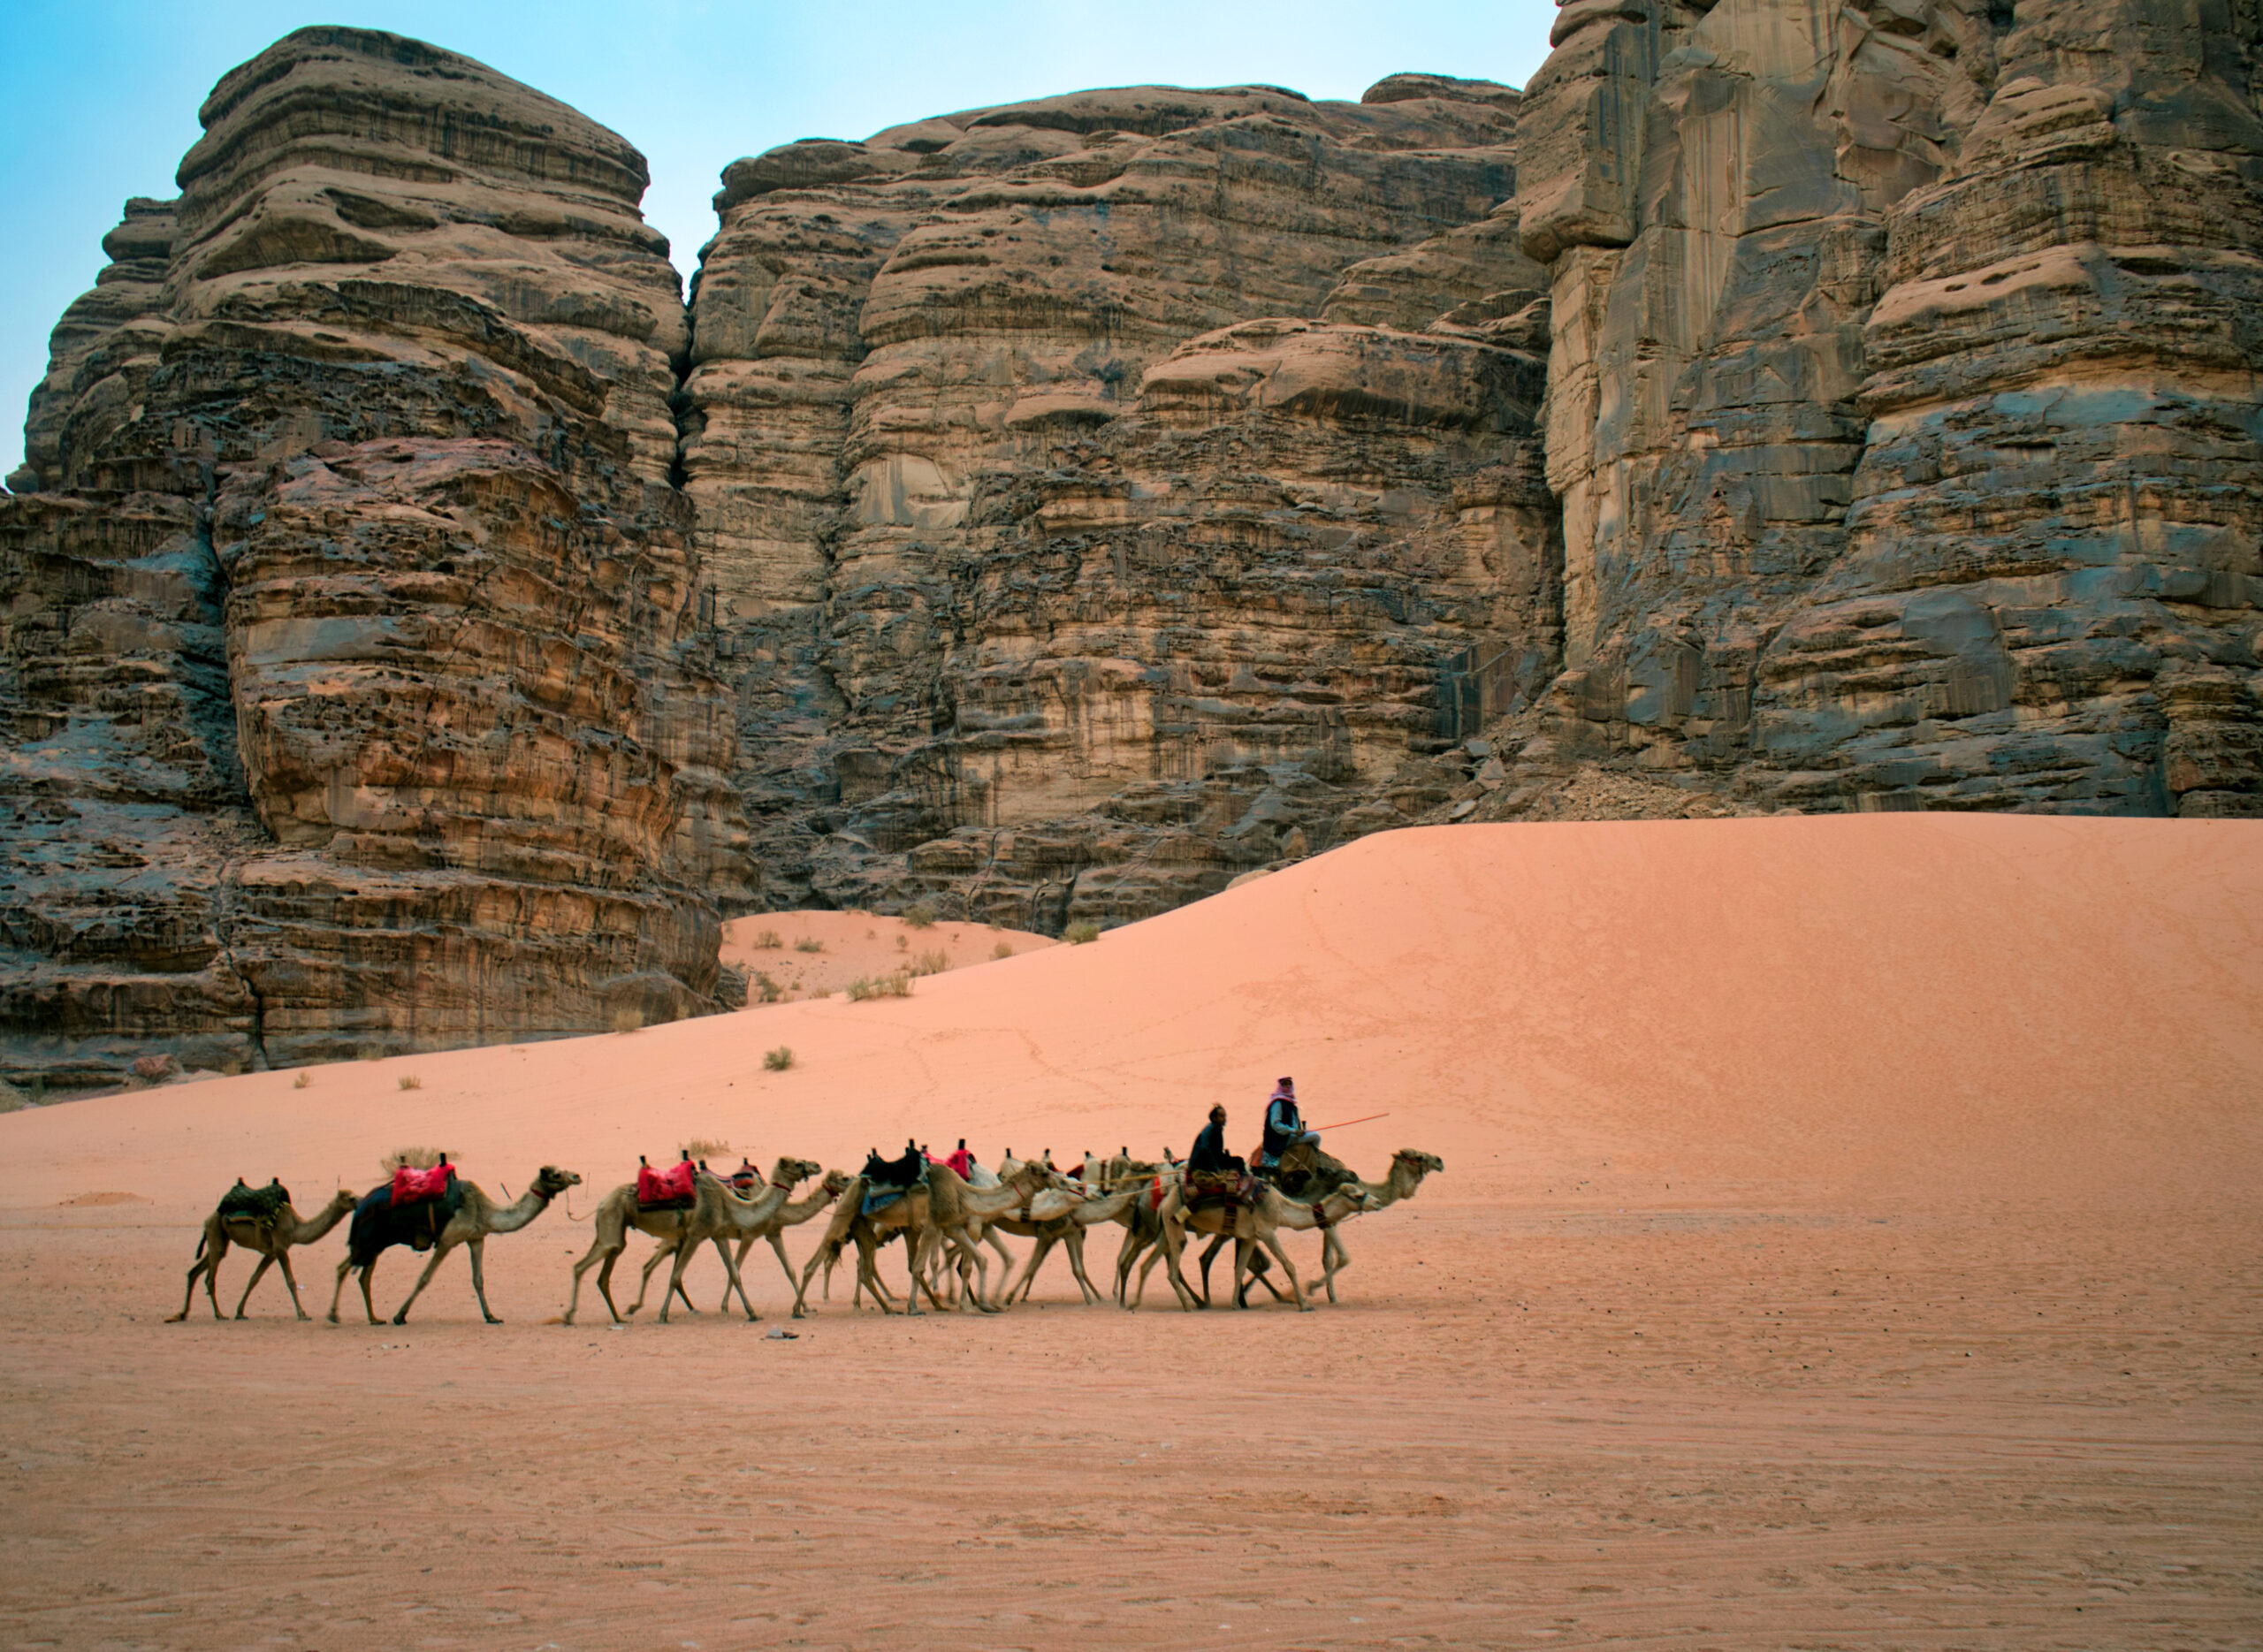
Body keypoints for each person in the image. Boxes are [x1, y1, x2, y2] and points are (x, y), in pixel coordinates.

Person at [1258, 1077, 1319, 1173]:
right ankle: (1316, 1161)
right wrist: (1294, 1131)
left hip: (1289, 1136)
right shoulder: (1278, 1103)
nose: (1287, 1086)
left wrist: (1298, 1131)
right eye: (1284, 1084)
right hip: (1280, 1139)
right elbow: (1275, 1125)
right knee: (1316, 1137)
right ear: (1280, 1086)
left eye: (1289, 1083)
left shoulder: (1290, 1103)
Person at [1189, 1104, 1240, 1174]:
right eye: (1221, 1116)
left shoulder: (1218, 1129)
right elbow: (1205, 1150)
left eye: (1225, 1116)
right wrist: (1216, 1168)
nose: (1224, 1119)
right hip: (1201, 1164)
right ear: (1214, 1118)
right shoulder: (1209, 1130)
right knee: (1238, 1162)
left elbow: (1217, 1151)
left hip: (1211, 1161)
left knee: (1237, 1160)